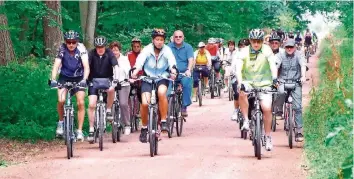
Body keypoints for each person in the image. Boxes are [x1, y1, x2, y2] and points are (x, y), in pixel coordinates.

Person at [131, 28, 177, 143]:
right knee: (145, 103)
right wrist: (135, 72)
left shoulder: (167, 50)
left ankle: (164, 121)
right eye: (157, 39)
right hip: (148, 78)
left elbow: (172, 62)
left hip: (162, 77)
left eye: (161, 40)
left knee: (162, 92)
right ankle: (144, 128)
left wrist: (173, 70)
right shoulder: (147, 50)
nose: (159, 42)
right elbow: (139, 63)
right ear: (153, 40)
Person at [235, 29, 278, 151]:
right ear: (250, 41)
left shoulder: (267, 50)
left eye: (259, 41)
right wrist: (240, 82)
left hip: (265, 83)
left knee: (267, 108)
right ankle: (246, 121)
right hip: (248, 82)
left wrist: (274, 79)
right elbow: (238, 68)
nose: (256, 44)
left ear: (262, 41)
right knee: (242, 93)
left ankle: (268, 136)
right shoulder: (243, 52)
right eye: (254, 41)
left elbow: (272, 65)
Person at [49, 30, 90, 141]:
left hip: (79, 77)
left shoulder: (81, 49)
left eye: (73, 42)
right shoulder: (62, 49)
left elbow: (86, 66)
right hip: (64, 77)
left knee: (80, 102)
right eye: (68, 42)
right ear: (65, 42)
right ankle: (61, 122)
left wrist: (85, 79)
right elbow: (56, 66)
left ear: (77, 42)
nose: (71, 44)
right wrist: (53, 79)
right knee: (61, 100)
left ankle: (80, 131)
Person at [86, 36, 120, 143]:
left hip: (107, 79)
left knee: (111, 90)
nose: (100, 49)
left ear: (105, 46)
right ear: (95, 47)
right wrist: (84, 79)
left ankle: (109, 110)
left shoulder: (109, 53)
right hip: (93, 80)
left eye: (102, 47)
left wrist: (116, 79)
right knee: (91, 104)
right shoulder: (91, 53)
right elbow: (86, 66)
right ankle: (91, 129)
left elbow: (116, 66)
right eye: (98, 47)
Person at [274, 39, 306, 142]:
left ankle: (299, 131)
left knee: (298, 107)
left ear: (295, 47)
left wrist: (303, 76)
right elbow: (275, 66)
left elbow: (303, 65)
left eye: (291, 47)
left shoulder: (299, 55)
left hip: (296, 82)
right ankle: (279, 110)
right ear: (284, 47)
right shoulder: (280, 55)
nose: (289, 49)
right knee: (280, 92)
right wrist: (275, 78)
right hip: (282, 81)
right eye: (287, 47)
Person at [167, 30, 194, 117]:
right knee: (166, 88)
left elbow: (190, 60)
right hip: (171, 73)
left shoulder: (188, 47)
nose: (178, 38)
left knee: (187, 83)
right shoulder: (168, 47)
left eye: (180, 37)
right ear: (173, 38)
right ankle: (166, 107)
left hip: (183, 73)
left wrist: (188, 70)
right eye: (176, 37)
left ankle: (184, 106)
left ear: (183, 37)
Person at [110, 41, 132, 135]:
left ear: (119, 50)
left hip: (123, 84)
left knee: (123, 104)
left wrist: (128, 78)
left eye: (116, 50)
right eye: (113, 50)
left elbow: (128, 70)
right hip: (111, 84)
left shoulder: (124, 59)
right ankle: (110, 121)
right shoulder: (108, 59)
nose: (115, 52)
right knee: (109, 102)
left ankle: (127, 124)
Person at [230, 39, 248, 121]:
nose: (242, 48)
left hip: (250, 78)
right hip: (238, 77)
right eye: (241, 46)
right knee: (237, 92)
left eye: (244, 46)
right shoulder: (236, 55)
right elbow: (233, 67)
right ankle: (236, 110)